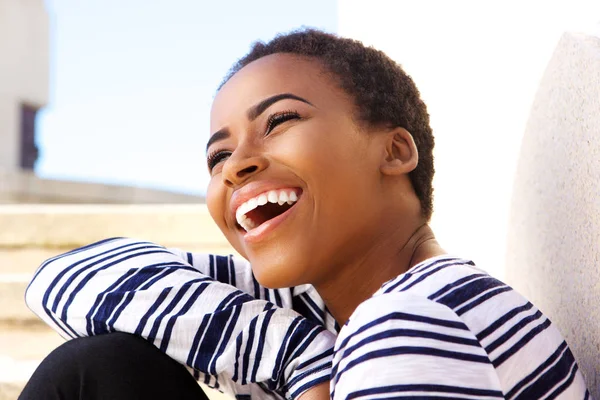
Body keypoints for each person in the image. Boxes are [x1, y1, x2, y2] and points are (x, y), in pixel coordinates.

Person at [21, 29, 592, 400]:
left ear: (395, 151)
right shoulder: (325, 307)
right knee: (102, 368)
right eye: (217, 156)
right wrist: (297, 355)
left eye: (280, 121)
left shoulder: (404, 328)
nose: (237, 167)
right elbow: (65, 277)